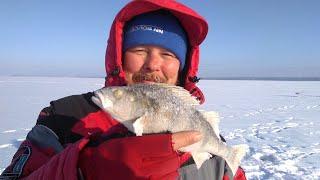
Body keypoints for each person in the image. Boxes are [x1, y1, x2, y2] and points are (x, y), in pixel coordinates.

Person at [1, 0, 246, 179]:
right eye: (139, 51)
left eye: (168, 54)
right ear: (119, 56)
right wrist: (83, 170)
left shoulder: (204, 136)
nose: (152, 64)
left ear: (182, 66)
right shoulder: (63, 118)